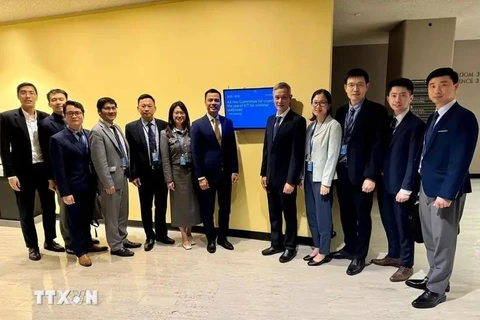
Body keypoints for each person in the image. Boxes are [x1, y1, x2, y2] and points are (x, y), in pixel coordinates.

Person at [407, 68, 478, 309]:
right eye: (432, 86)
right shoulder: (434, 116)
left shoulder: (464, 117)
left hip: (445, 191)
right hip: (427, 186)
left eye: (443, 84)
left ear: (456, 86)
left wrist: (447, 193)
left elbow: (460, 159)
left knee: (444, 239)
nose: (437, 90)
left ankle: (436, 290)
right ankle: (436, 278)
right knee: (430, 236)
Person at [332, 68, 388, 275]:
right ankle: (350, 247)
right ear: (345, 88)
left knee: (362, 216)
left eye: (360, 85)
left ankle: (360, 255)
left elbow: (378, 145)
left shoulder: (377, 111)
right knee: (345, 213)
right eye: (351, 85)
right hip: (342, 171)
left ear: (367, 86)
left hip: (363, 174)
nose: (355, 89)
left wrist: (371, 175)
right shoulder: (340, 111)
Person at [0, 82, 64, 261]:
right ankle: (32, 246)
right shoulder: (7, 117)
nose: (27, 96)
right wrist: (10, 174)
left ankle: (50, 240)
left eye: (31, 93)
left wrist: (53, 174)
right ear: (18, 96)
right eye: (23, 93)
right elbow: (4, 148)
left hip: (44, 170)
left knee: (49, 206)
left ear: (36, 96)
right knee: (26, 210)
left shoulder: (45, 118)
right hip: (22, 172)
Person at [372, 78, 425, 282]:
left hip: (402, 186)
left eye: (403, 95)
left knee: (403, 225)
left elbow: (414, 158)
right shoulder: (388, 122)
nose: (397, 99)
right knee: (388, 222)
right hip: (385, 183)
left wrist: (407, 187)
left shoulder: (416, 125)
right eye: (393, 95)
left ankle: (406, 264)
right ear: (388, 98)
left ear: (411, 97)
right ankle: (393, 255)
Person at [50, 101, 108, 267]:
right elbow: (58, 169)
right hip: (72, 188)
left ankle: (88, 244)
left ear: (83, 115)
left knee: (87, 218)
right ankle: (80, 252)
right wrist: (65, 192)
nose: (74, 116)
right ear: (65, 116)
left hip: (89, 186)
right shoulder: (58, 139)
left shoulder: (90, 135)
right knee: (74, 221)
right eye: (70, 113)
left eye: (77, 112)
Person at [260, 82, 306, 263]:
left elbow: (297, 154)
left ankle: (290, 246)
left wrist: (291, 180)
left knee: (289, 214)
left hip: (287, 179)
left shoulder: (297, 121)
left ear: (290, 98)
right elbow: (267, 149)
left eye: (284, 97)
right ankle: (276, 243)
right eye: (277, 97)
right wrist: (263, 173)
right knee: (274, 213)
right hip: (271, 177)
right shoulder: (270, 120)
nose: (280, 100)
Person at [89, 97, 141, 257]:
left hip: (122, 176)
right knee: (111, 214)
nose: (111, 111)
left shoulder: (116, 128)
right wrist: (107, 182)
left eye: (113, 108)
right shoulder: (97, 131)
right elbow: (99, 161)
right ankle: (116, 246)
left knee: (122, 212)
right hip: (110, 181)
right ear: (99, 111)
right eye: (107, 108)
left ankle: (122, 238)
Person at [191, 88, 239, 253]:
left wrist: (234, 170)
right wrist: (200, 176)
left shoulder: (228, 123)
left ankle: (223, 238)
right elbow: (195, 153)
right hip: (206, 176)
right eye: (210, 100)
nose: (213, 103)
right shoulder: (197, 125)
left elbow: (232, 148)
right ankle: (211, 238)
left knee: (225, 208)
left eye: (216, 100)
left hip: (225, 174)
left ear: (220, 103)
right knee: (208, 209)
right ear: (205, 102)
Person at [125, 94, 174, 252]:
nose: (146, 108)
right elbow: (130, 153)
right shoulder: (131, 127)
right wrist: (132, 174)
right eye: (143, 106)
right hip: (143, 175)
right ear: (138, 108)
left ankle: (161, 234)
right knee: (145, 207)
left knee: (161, 205)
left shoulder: (164, 125)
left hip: (161, 173)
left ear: (155, 107)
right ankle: (150, 236)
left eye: (149, 105)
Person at [300, 89, 341, 266]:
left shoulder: (334, 126)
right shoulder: (311, 127)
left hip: (322, 178)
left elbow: (333, 156)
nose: (318, 106)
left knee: (323, 215)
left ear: (328, 105)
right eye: (315, 102)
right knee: (312, 214)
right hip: (309, 175)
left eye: (322, 102)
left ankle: (324, 250)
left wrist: (327, 182)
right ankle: (316, 245)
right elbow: (306, 154)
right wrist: (302, 176)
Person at [160, 101, 202, 250]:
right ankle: (183, 236)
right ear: (172, 115)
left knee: (192, 205)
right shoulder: (165, 134)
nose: (179, 115)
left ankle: (190, 232)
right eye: (176, 113)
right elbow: (165, 158)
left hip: (191, 171)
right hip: (176, 172)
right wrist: (168, 179)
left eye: (182, 112)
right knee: (180, 206)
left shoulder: (191, 131)